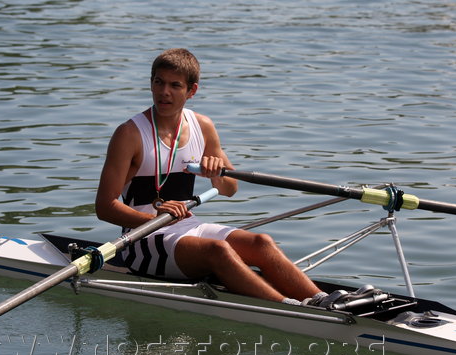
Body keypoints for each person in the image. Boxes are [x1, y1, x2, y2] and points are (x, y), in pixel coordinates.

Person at [95, 48, 332, 306]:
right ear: (151, 83)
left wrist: (217, 173)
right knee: (218, 250)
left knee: (261, 242)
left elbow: (230, 189)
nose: (164, 92)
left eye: (175, 85)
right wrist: (154, 218)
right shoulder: (129, 134)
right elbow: (105, 207)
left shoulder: (202, 126)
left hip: (186, 226)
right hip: (141, 239)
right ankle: (290, 309)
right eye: (158, 82)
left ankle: (322, 301)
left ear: (191, 91)